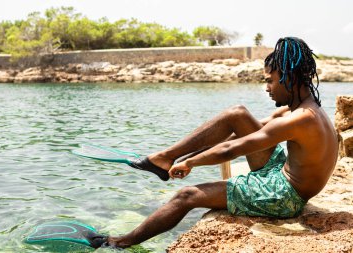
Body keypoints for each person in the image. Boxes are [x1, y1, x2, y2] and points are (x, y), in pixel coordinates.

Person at [95, 37, 338, 248]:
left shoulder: (300, 120)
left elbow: (232, 149)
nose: (266, 88)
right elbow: (239, 135)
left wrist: (191, 163)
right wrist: (182, 159)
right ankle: (164, 158)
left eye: (270, 81)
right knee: (238, 114)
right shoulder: (302, 111)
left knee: (187, 195)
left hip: (285, 195)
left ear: (290, 78)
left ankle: (121, 242)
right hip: (279, 172)